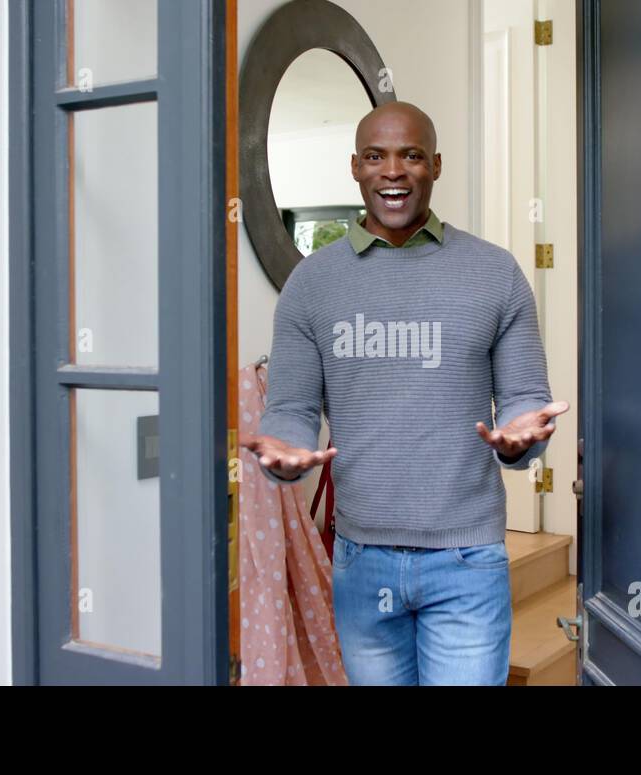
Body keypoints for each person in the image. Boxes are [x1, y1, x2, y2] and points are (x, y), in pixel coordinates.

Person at [240, 101, 569, 685]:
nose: (393, 170)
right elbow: (290, 409)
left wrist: (519, 440)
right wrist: (285, 455)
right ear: (355, 168)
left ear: (435, 166)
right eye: (376, 156)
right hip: (362, 562)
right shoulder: (311, 286)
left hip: (467, 562)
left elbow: (522, 397)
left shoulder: (495, 273)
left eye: (410, 156)